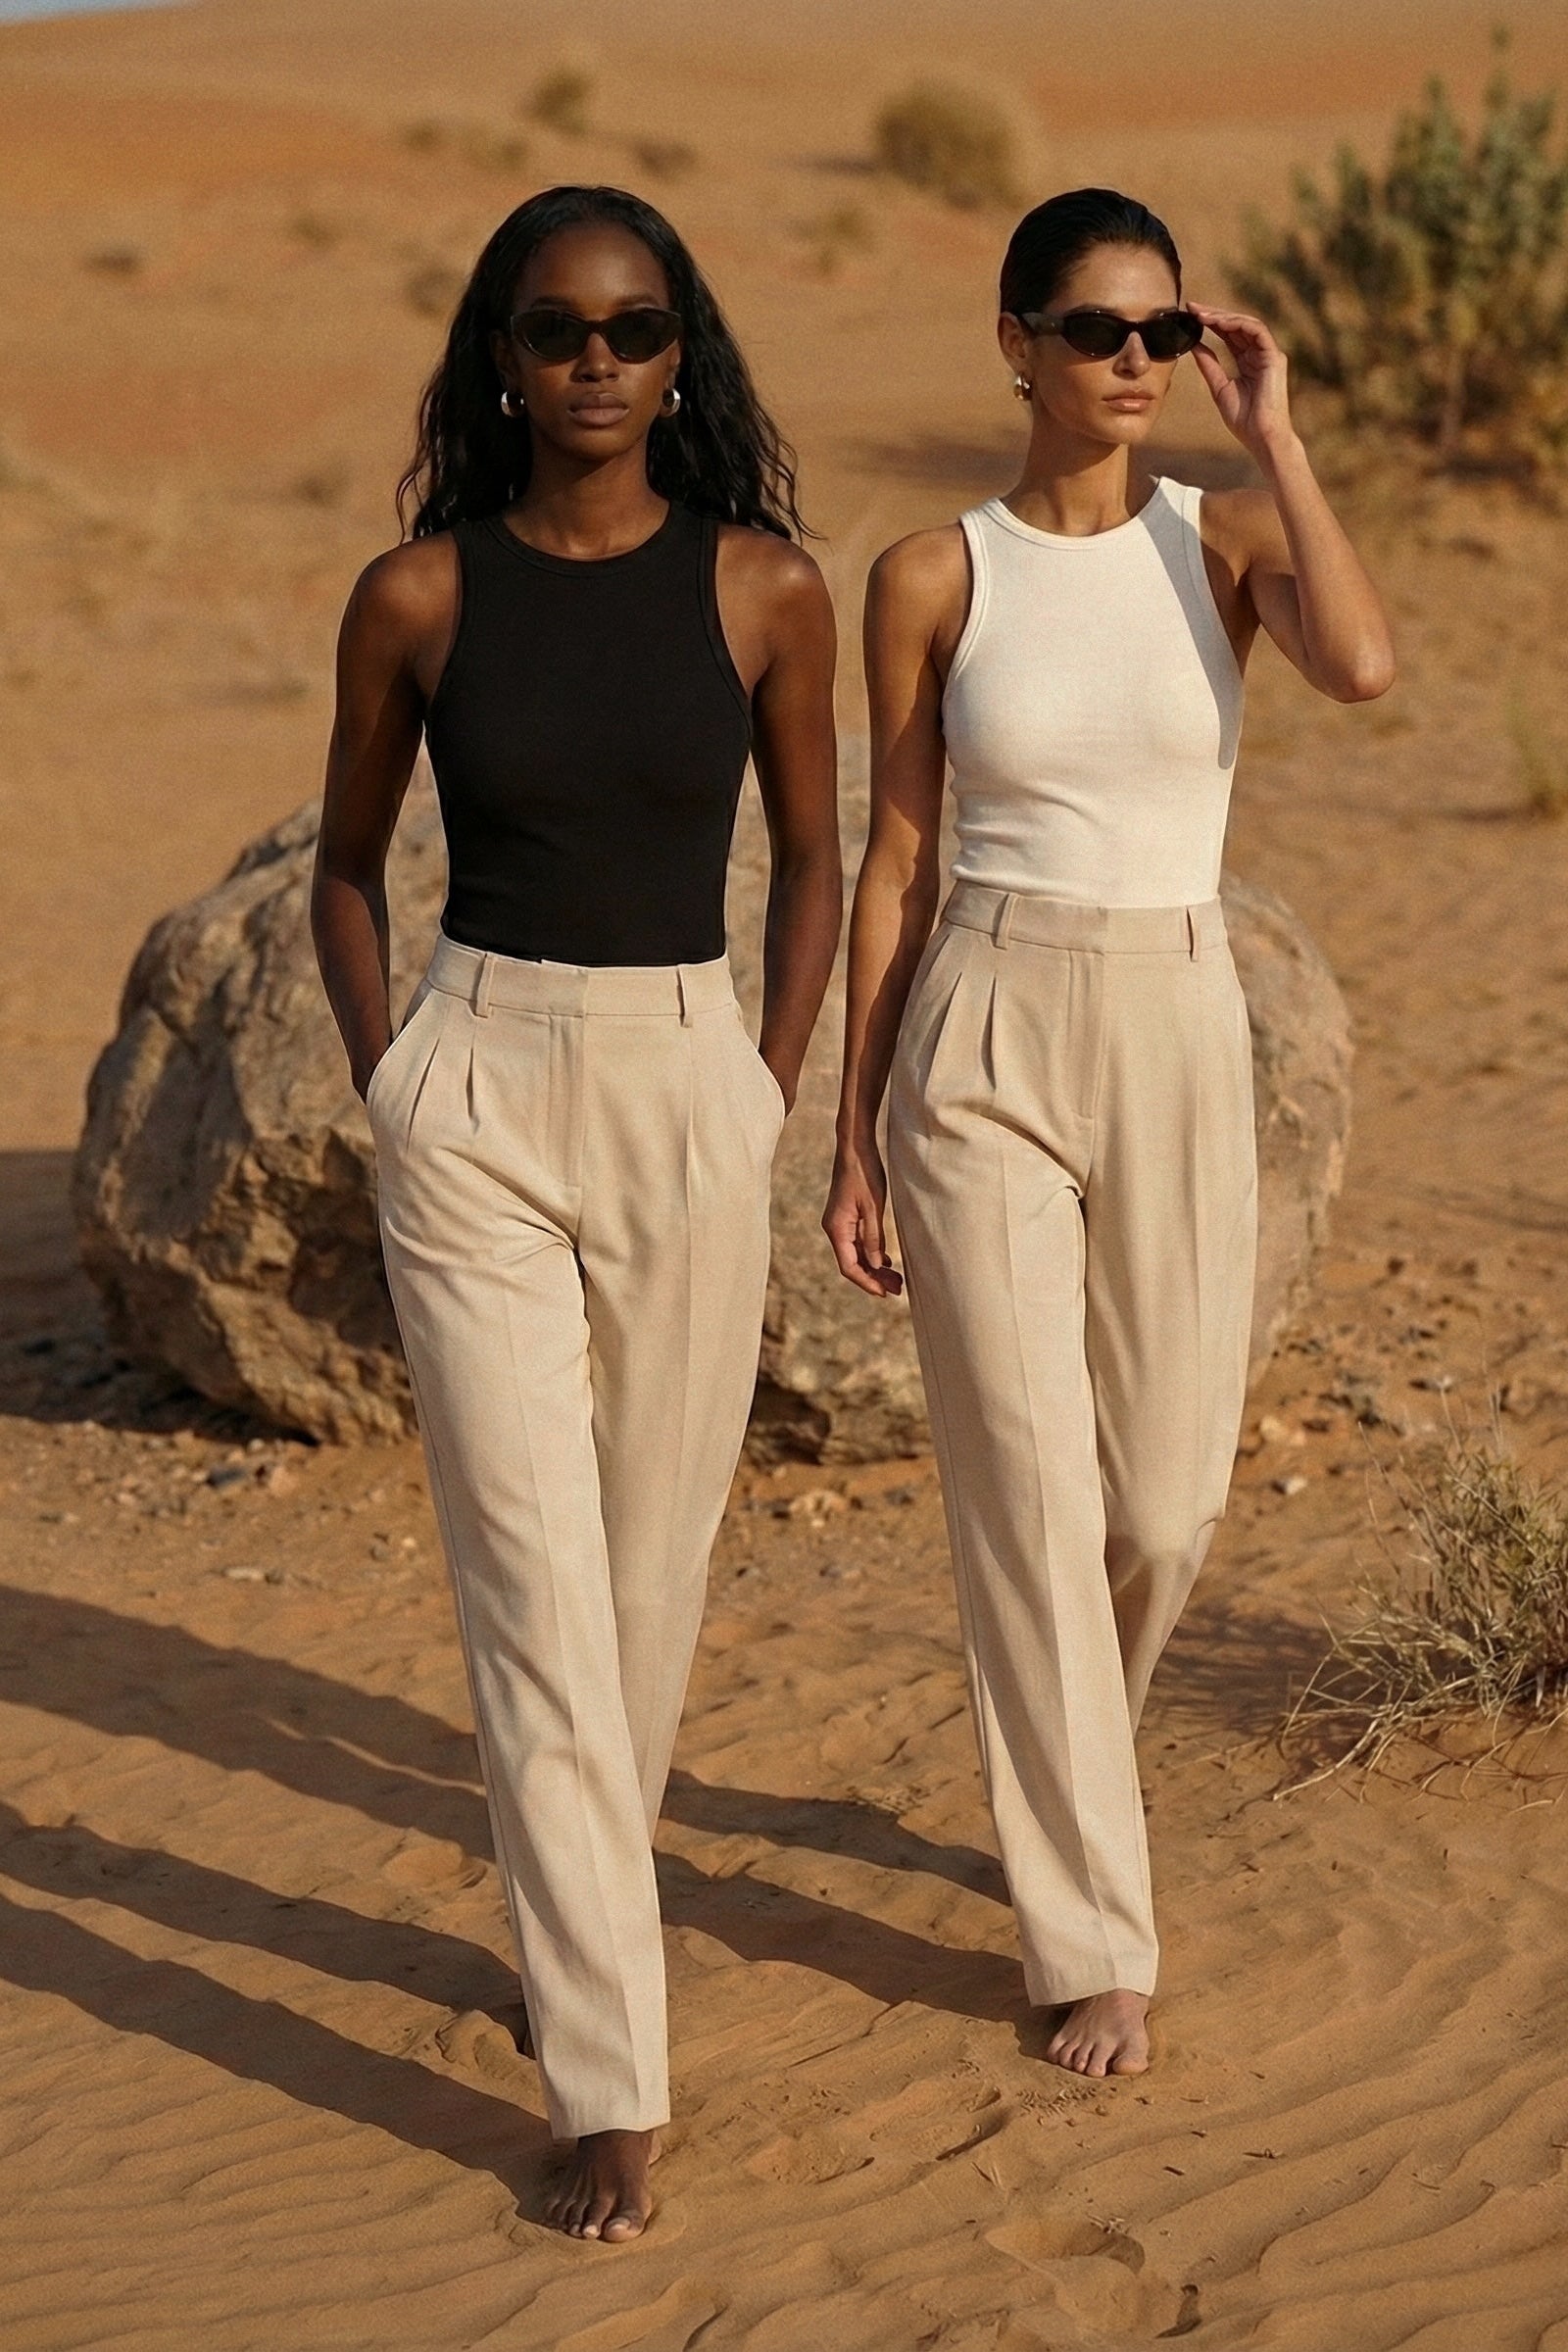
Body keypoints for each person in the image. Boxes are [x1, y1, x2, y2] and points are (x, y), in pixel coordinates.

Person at [313, 184, 841, 2239]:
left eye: (631, 328)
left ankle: (574, 1918)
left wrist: (763, 1080)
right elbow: (345, 864)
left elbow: (816, 858)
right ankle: (608, 2077)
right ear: (503, 361)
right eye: (555, 331)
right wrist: (393, 1082)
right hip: (477, 1087)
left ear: (679, 357)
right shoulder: (416, 595)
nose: (595, 361)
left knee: (645, 1572)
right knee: (529, 1582)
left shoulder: (767, 588)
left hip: (684, 1079)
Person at [824, 186, 1392, 2082]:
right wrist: (854, 1131)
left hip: (1173, 1017)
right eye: (1097, 330)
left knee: (1163, 1503)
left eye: (1163, 330)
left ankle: (1072, 1761)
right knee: (1029, 1496)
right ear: (1018, 345)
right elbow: (897, 859)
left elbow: (1364, 668)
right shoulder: (934, 572)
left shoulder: (1221, 538)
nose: (1137, 361)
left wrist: (1279, 436)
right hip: (983, 1024)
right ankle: (1092, 1938)